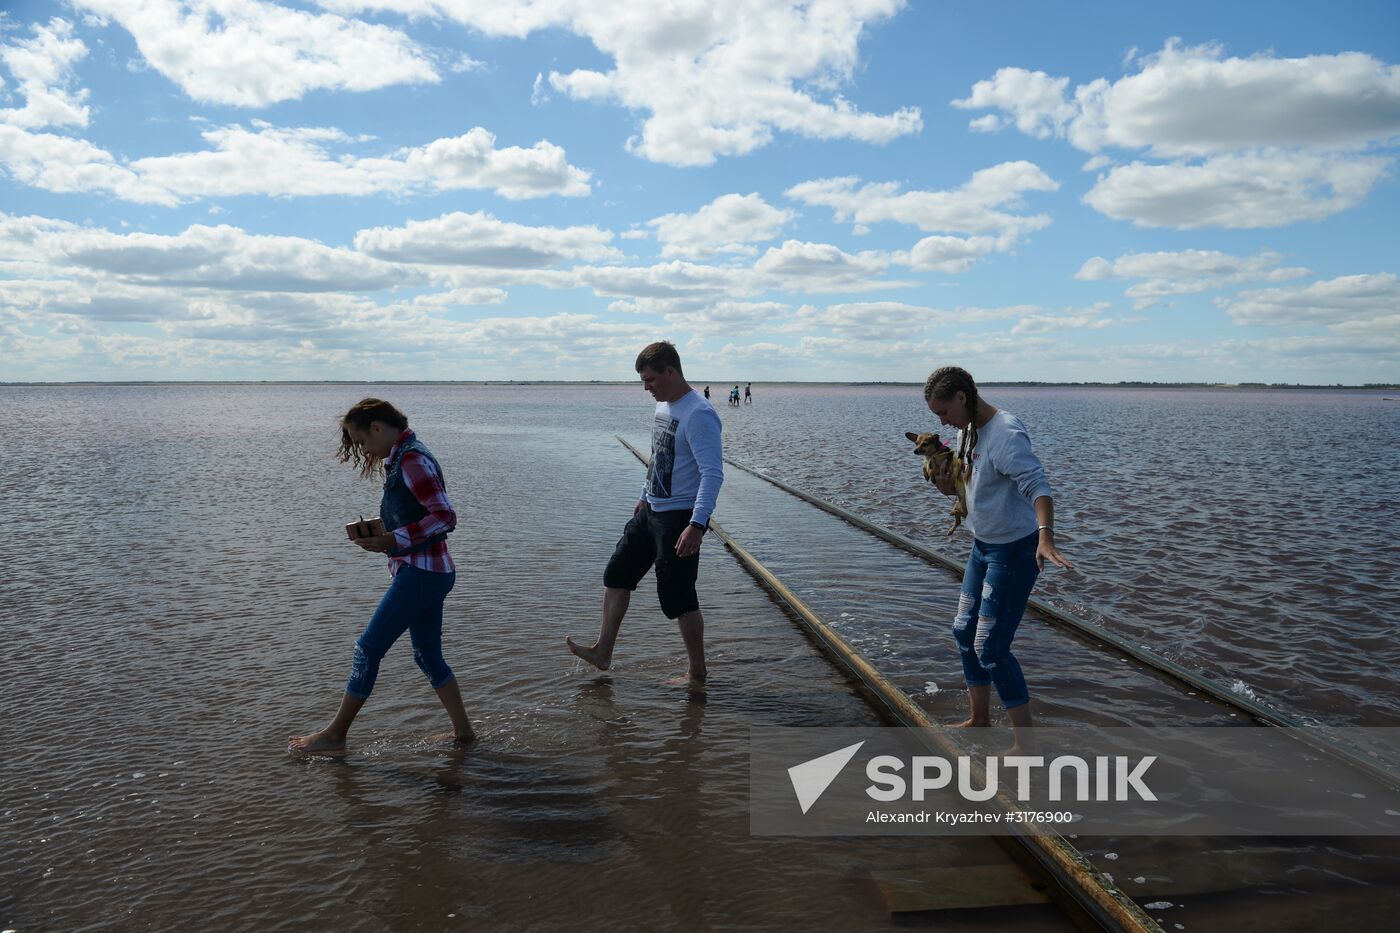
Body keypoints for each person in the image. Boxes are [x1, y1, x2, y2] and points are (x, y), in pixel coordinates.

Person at [289, 399, 474, 756]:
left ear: (377, 427)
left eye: (361, 441)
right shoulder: (404, 455)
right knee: (427, 656)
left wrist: (392, 539)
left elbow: (445, 517)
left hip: (422, 573)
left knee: (367, 648)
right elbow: (420, 512)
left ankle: (335, 736)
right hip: (429, 571)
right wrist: (383, 529)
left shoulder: (412, 459)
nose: (363, 449)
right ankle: (465, 734)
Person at [923, 367, 1072, 753]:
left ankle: (1026, 744)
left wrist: (1046, 536)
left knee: (991, 646)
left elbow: (1037, 485)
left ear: (961, 397)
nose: (942, 421)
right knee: (963, 632)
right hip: (983, 546)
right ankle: (981, 719)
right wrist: (948, 488)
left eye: (943, 411)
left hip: (1016, 549)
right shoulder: (966, 430)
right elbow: (969, 486)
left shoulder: (1005, 432)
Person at [567, 341, 723, 683]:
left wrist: (697, 525)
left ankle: (697, 671)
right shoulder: (664, 407)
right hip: (650, 509)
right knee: (617, 574)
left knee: (679, 598)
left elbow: (713, 473)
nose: (646, 387)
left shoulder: (699, 413)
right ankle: (603, 651)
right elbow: (658, 456)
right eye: (643, 380)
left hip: (679, 518)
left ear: (671, 372)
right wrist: (643, 494)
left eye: (650, 379)